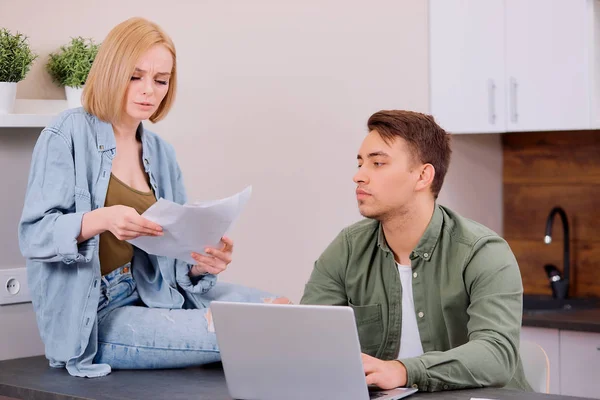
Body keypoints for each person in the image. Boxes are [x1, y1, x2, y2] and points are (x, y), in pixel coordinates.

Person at [18, 17, 288, 378]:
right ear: (112, 72)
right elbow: (34, 235)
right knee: (247, 331)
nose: (149, 90)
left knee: (282, 311)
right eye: (135, 76)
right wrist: (103, 218)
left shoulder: (161, 152)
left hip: (159, 294)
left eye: (160, 80)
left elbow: (173, 259)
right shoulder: (66, 133)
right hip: (100, 315)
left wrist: (200, 264)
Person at [300, 110, 532, 392]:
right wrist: (295, 329)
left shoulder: (483, 252)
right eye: (360, 163)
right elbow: (315, 344)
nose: (358, 176)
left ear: (423, 176)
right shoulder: (348, 249)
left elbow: (496, 356)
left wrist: (403, 371)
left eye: (377, 163)